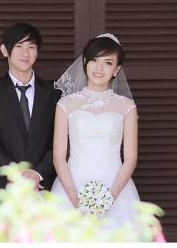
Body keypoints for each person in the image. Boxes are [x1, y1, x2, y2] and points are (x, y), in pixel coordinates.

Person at [48, 33, 142, 227]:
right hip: (71, 185)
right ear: (85, 62)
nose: (99, 68)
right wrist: (75, 199)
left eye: (108, 63)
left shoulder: (127, 107)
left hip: (117, 188)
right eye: (94, 60)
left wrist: (109, 199)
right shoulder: (66, 104)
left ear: (117, 69)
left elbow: (131, 158)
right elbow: (58, 157)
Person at [0, 22, 61, 208]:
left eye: (31, 47)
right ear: (5, 50)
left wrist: (36, 174)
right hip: (2, 188)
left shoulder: (54, 93)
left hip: (43, 186)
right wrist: (18, 175)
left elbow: (60, 141)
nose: (25, 53)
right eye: (19, 46)